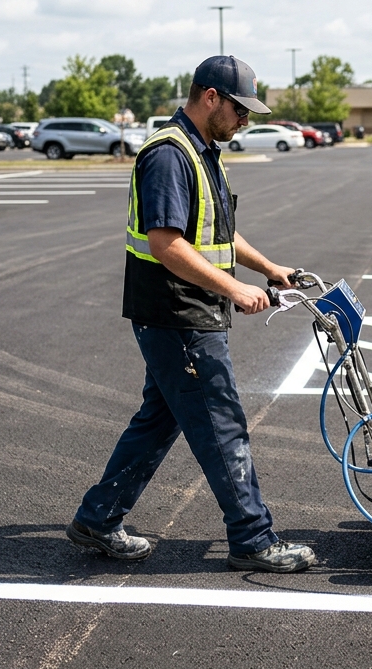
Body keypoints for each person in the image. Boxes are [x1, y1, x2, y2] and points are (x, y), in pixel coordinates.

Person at [67, 55, 317, 574]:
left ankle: (98, 517)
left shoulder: (204, 152)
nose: (246, 120)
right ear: (210, 98)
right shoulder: (169, 155)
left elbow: (218, 233)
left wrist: (270, 269)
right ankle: (253, 538)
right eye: (240, 109)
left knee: (159, 421)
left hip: (186, 312)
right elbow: (166, 244)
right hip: (177, 314)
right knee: (221, 424)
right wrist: (236, 290)